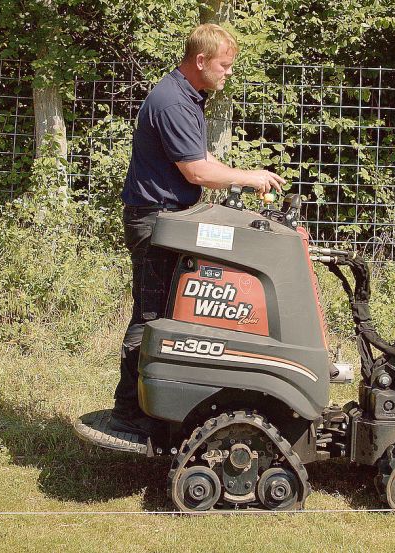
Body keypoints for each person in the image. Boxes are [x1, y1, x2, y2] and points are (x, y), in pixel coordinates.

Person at [111, 23, 285, 435]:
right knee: (153, 316)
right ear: (201, 60)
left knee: (172, 312)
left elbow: (199, 155)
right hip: (155, 221)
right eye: (224, 66)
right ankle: (130, 411)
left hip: (169, 219)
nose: (228, 73)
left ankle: (164, 403)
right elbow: (196, 170)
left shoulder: (188, 96)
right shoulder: (172, 101)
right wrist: (249, 177)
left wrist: (239, 175)